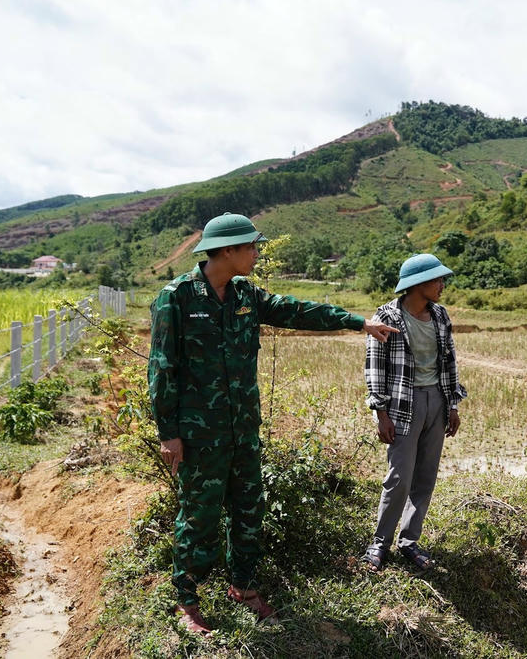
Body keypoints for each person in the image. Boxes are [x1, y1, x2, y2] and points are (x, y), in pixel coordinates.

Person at [148, 212, 396, 635]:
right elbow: (162, 369)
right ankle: (187, 601)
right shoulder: (177, 298)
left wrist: (357, 322)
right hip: (199, 434)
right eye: (251, 247)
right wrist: (169, 434)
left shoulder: (245, 293)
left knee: (249, 511)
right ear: (226, 250)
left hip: (243, 430)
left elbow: (295, 310)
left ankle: (242, 588)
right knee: (200, 516)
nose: (256, 253)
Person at [362, 253, 467, 571]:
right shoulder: (387, 317)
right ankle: (379, 544)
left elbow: (449, 362)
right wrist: (381, 413)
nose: (442, 285)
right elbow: (375, 366)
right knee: (399, 478)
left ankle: (409, 541)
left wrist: (452, 405)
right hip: (403, 405)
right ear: (418, 284)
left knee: (425, 477)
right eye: (437, 280)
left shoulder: (440, 316)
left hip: (436, 401)